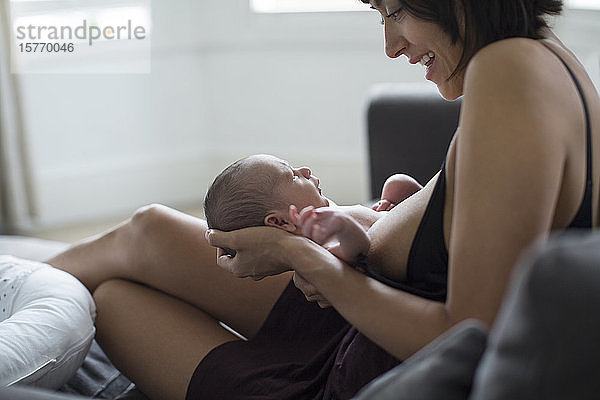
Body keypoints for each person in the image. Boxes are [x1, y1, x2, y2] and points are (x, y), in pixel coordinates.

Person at [45, 0, 600, 399]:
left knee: (117, 299)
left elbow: (469, 337)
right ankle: (15, 286)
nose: (391, 45)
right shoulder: (542, 60)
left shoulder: (510, 74)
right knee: (148, 233)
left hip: (355, 373)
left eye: (393, 12)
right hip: (354, 326)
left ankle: (17, 296)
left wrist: (298, 256)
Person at [203, 154, 421, 265]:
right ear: (280, 222)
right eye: (292, 176)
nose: (305, 170)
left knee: (397, 183)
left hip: (396, 227)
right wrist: (346, 227)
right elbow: (360, 251)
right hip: (405, 250)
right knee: (399, 185)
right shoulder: (318, 243)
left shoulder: (322, 219)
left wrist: (379, 215)